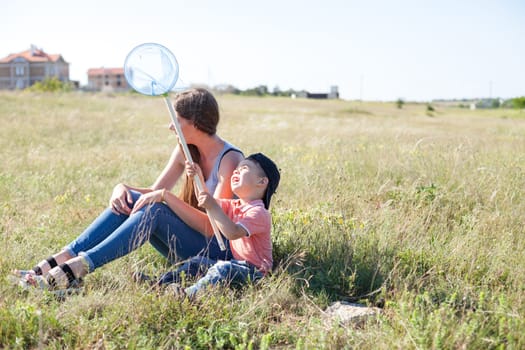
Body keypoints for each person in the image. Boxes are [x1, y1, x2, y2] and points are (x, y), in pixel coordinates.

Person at [15, 88, 244, 292]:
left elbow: (213, 228)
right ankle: (62, 258)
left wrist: (166, 197)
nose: (170, 125)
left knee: (155, 210)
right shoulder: (185, 149)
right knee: (134, 199)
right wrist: (121, 188)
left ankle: (79, 267)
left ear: (195, 123)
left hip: (217, 252)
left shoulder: (230, 159)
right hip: (190, 244)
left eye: (177, 119)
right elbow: (154, 191)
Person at [157, 152, 280, 299]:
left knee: (222, 268)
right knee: (197, 262)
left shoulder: (259, 213)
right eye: (236, 169)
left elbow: (232, 233)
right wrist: (198, 178)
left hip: (255, 273)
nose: (236, 171)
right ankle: (159, 284)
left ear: (261, 182)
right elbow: (208, 203)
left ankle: (188, 295)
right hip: (236, 263)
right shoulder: (236, 205)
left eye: (244, 168)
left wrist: (213, 206)